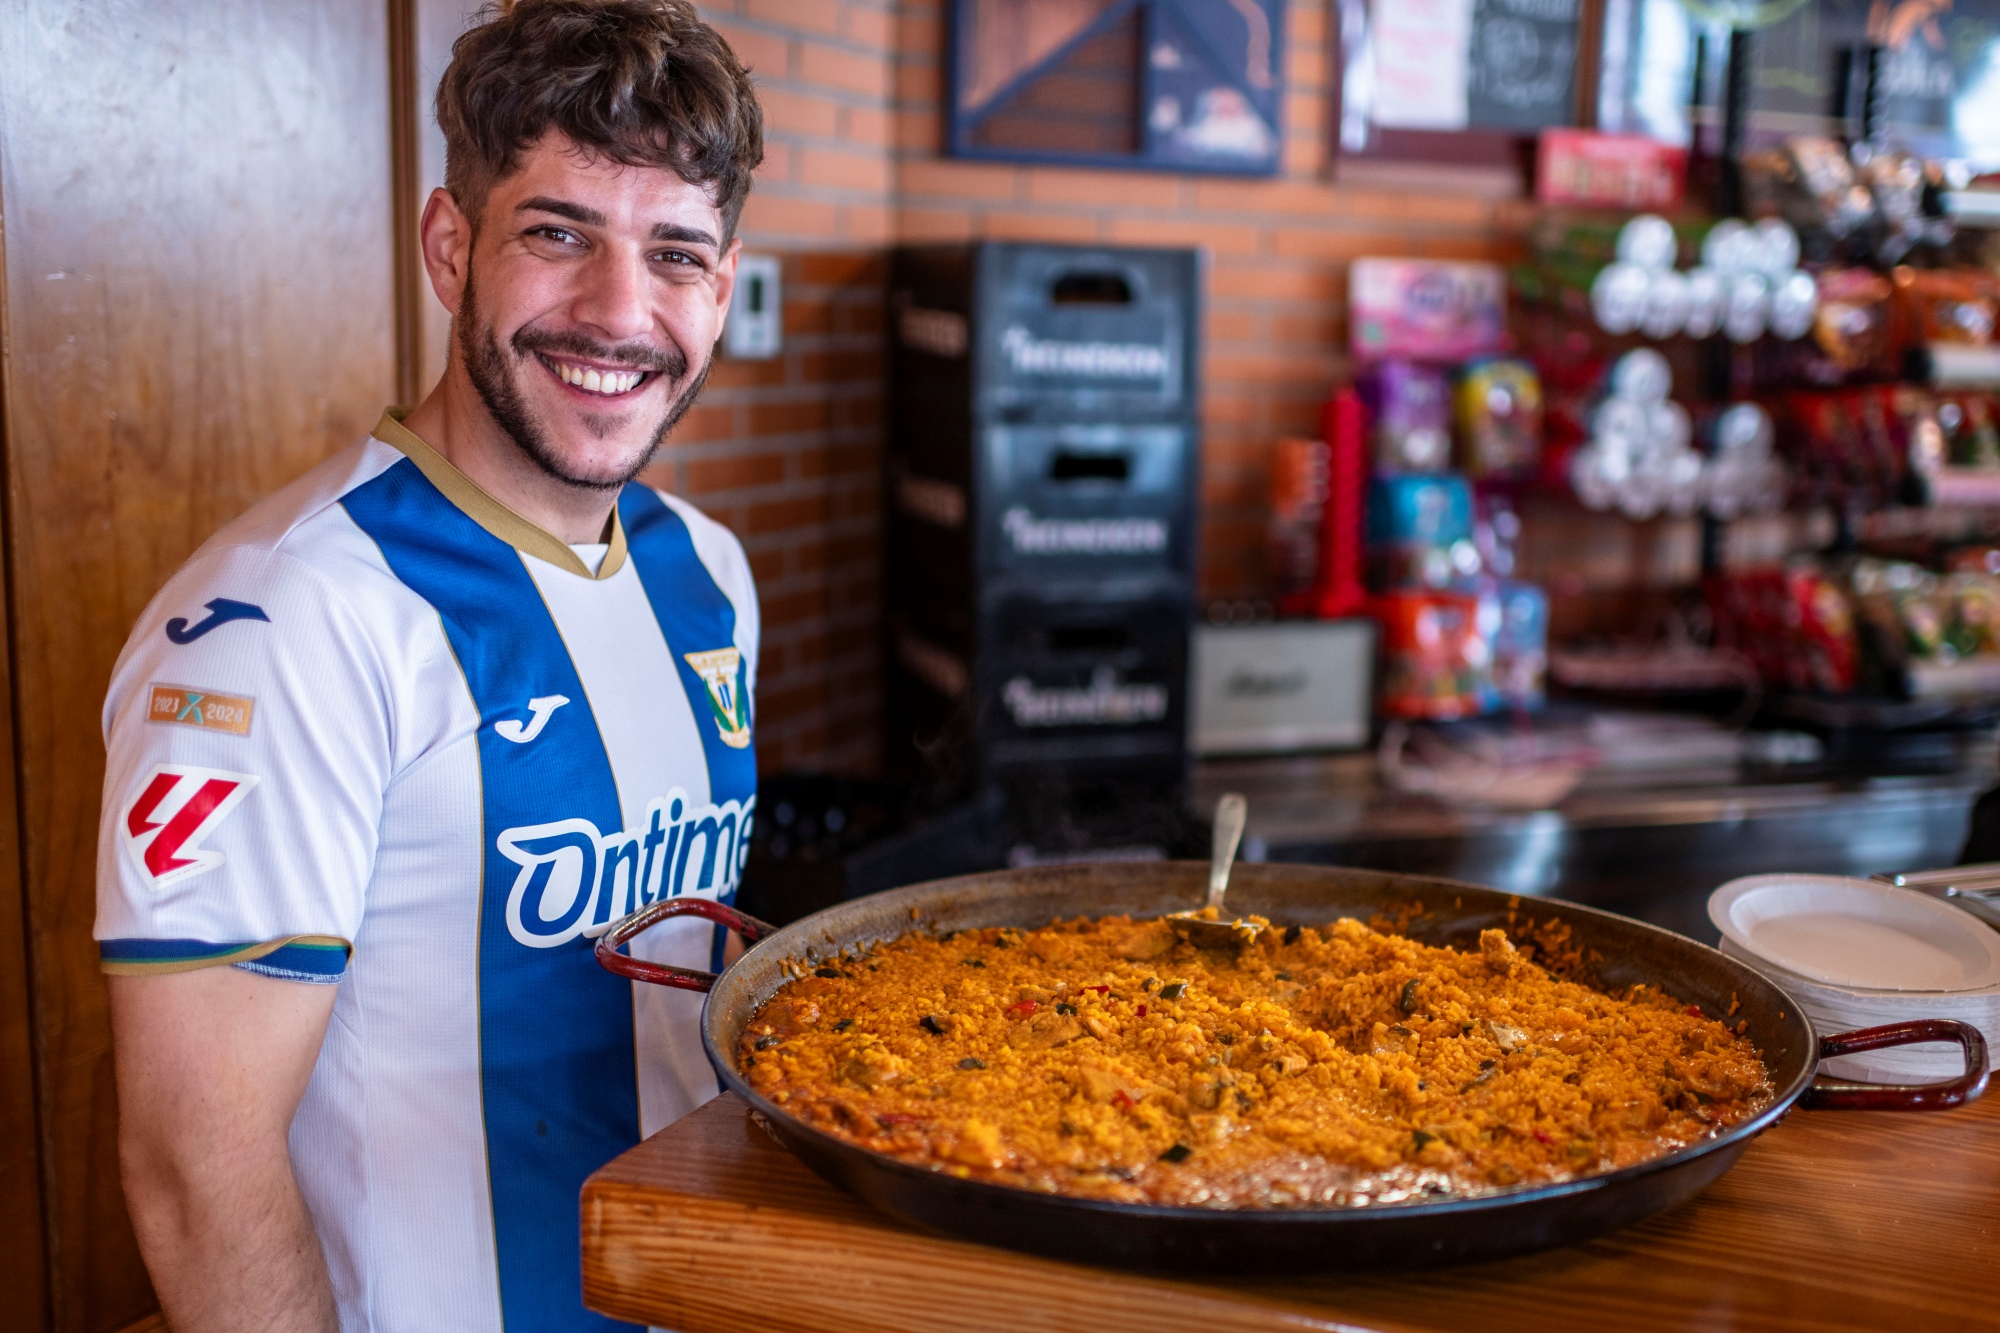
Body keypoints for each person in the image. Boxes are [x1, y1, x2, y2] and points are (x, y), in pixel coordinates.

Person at [94, 3, 763, 1329]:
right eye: (558, 233)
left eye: (674, 254)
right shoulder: (288, 621)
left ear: (723, 288)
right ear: (451, 247)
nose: (619, 312)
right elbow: (190, 1171)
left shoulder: (709, 570)